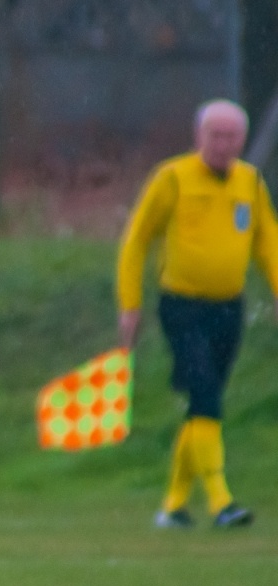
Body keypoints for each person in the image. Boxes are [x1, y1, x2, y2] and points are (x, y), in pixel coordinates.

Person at [118, 98, 278, 529]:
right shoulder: (172, 179)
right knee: (205, 394)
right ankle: (221, 502)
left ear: (242, 141)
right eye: (215, 135)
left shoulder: (250, 182)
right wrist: (130, 304)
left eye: (232, 137)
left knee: (203, 404)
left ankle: (172, 505)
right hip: (182, 306)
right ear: (198, 137)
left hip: (229, 307)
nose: (223, 144)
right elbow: (136, 241)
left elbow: (268, 244)